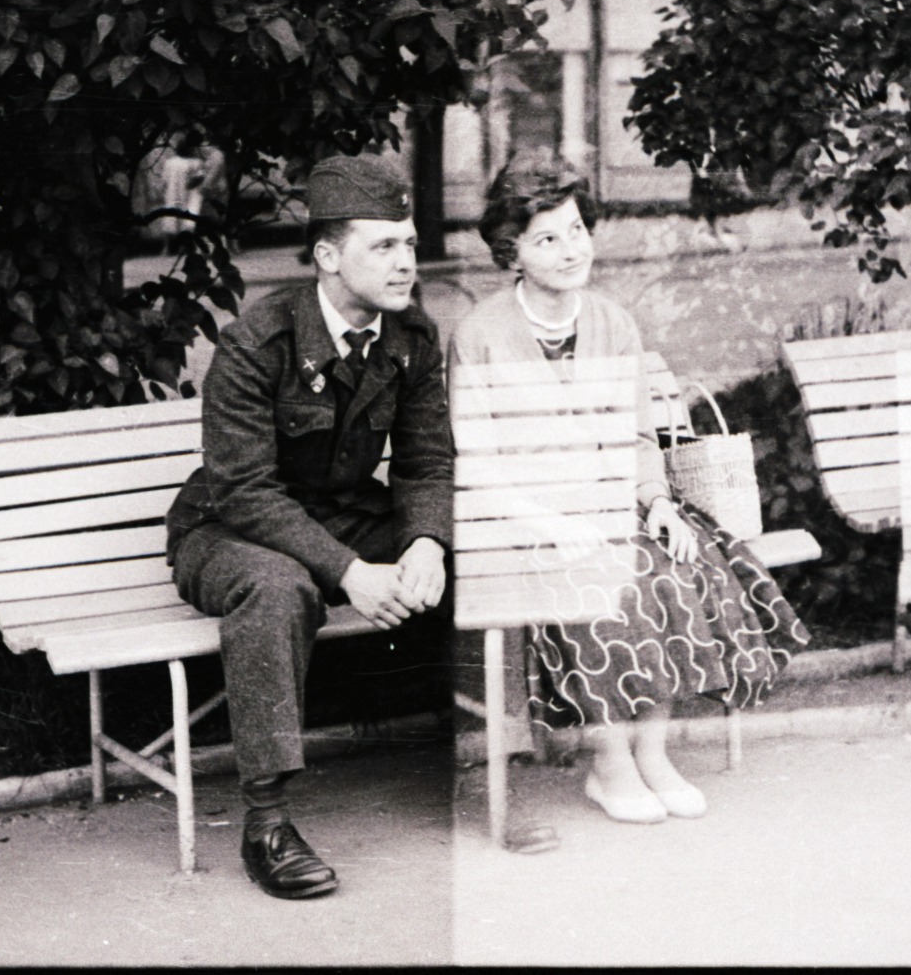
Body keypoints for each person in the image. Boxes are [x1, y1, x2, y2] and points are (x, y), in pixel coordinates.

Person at [447, 150, 810, 831]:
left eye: (577, 230)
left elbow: (642, 439)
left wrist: (661, 504)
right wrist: (548, 523)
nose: (568, 249)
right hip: (526, 523)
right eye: (546, 238)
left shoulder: (613, 323)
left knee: (668, 565)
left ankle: (653, 753)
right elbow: (479, 461)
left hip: (614, 509)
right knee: (598, 576)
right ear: (513, 250)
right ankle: (608, 763)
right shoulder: (480, 336)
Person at [165, 152, 453, 898]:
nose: (404, 262)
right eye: (383, 245)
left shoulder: (412, 339)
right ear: (328, 257)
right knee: (278, 586)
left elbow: (424, 463)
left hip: (340, 518)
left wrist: (425, 542)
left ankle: (498, 760)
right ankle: (265, 823)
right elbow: (245, 491)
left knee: (474, 556)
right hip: (225, 531)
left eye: (410, 244)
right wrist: (351, 572)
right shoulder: (257, 342)